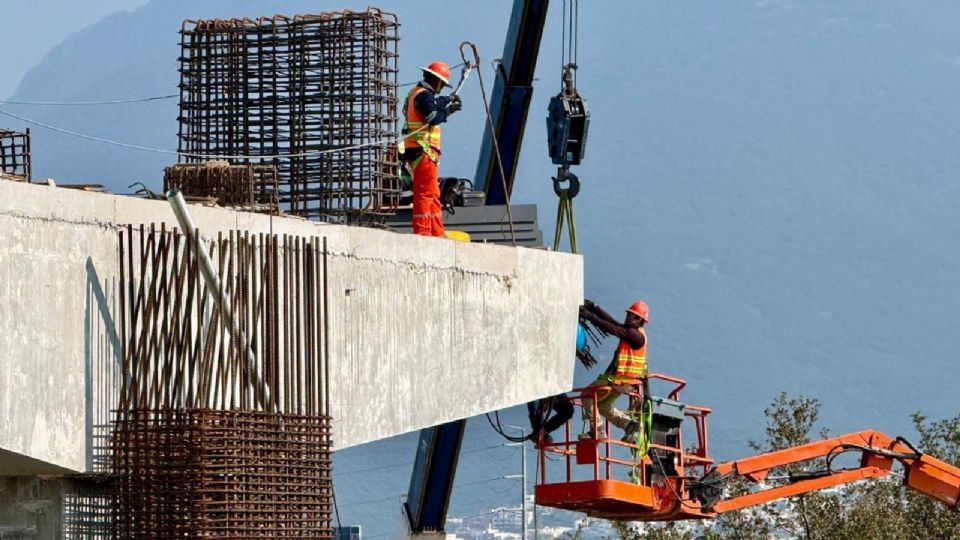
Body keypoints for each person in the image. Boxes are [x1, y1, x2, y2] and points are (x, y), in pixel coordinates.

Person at [401, 61, 463, 237]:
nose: (442, 88)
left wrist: (448, 100)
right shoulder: (423, 96)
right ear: (436, 81)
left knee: (433, 193)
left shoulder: (417, 93)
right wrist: (450, 110)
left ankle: (437, 232)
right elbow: (433, 117)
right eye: (442, 84)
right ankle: (423, 232)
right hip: (424, 152)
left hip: (420, 152)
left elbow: (435, 102)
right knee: (425, 194)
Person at [579, 300, 649, 441]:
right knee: (602, 404)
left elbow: (612, 329)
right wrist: (595, 309)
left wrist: (590, 317)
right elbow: (612, 323)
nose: (629, 317)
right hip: (624, 382)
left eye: (634, 316)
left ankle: (597, 430)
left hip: (617, 380)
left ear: (641, 320)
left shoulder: (636, 336)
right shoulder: (632, 332)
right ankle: (629, 425)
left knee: (587, 395)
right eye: (629, 314)